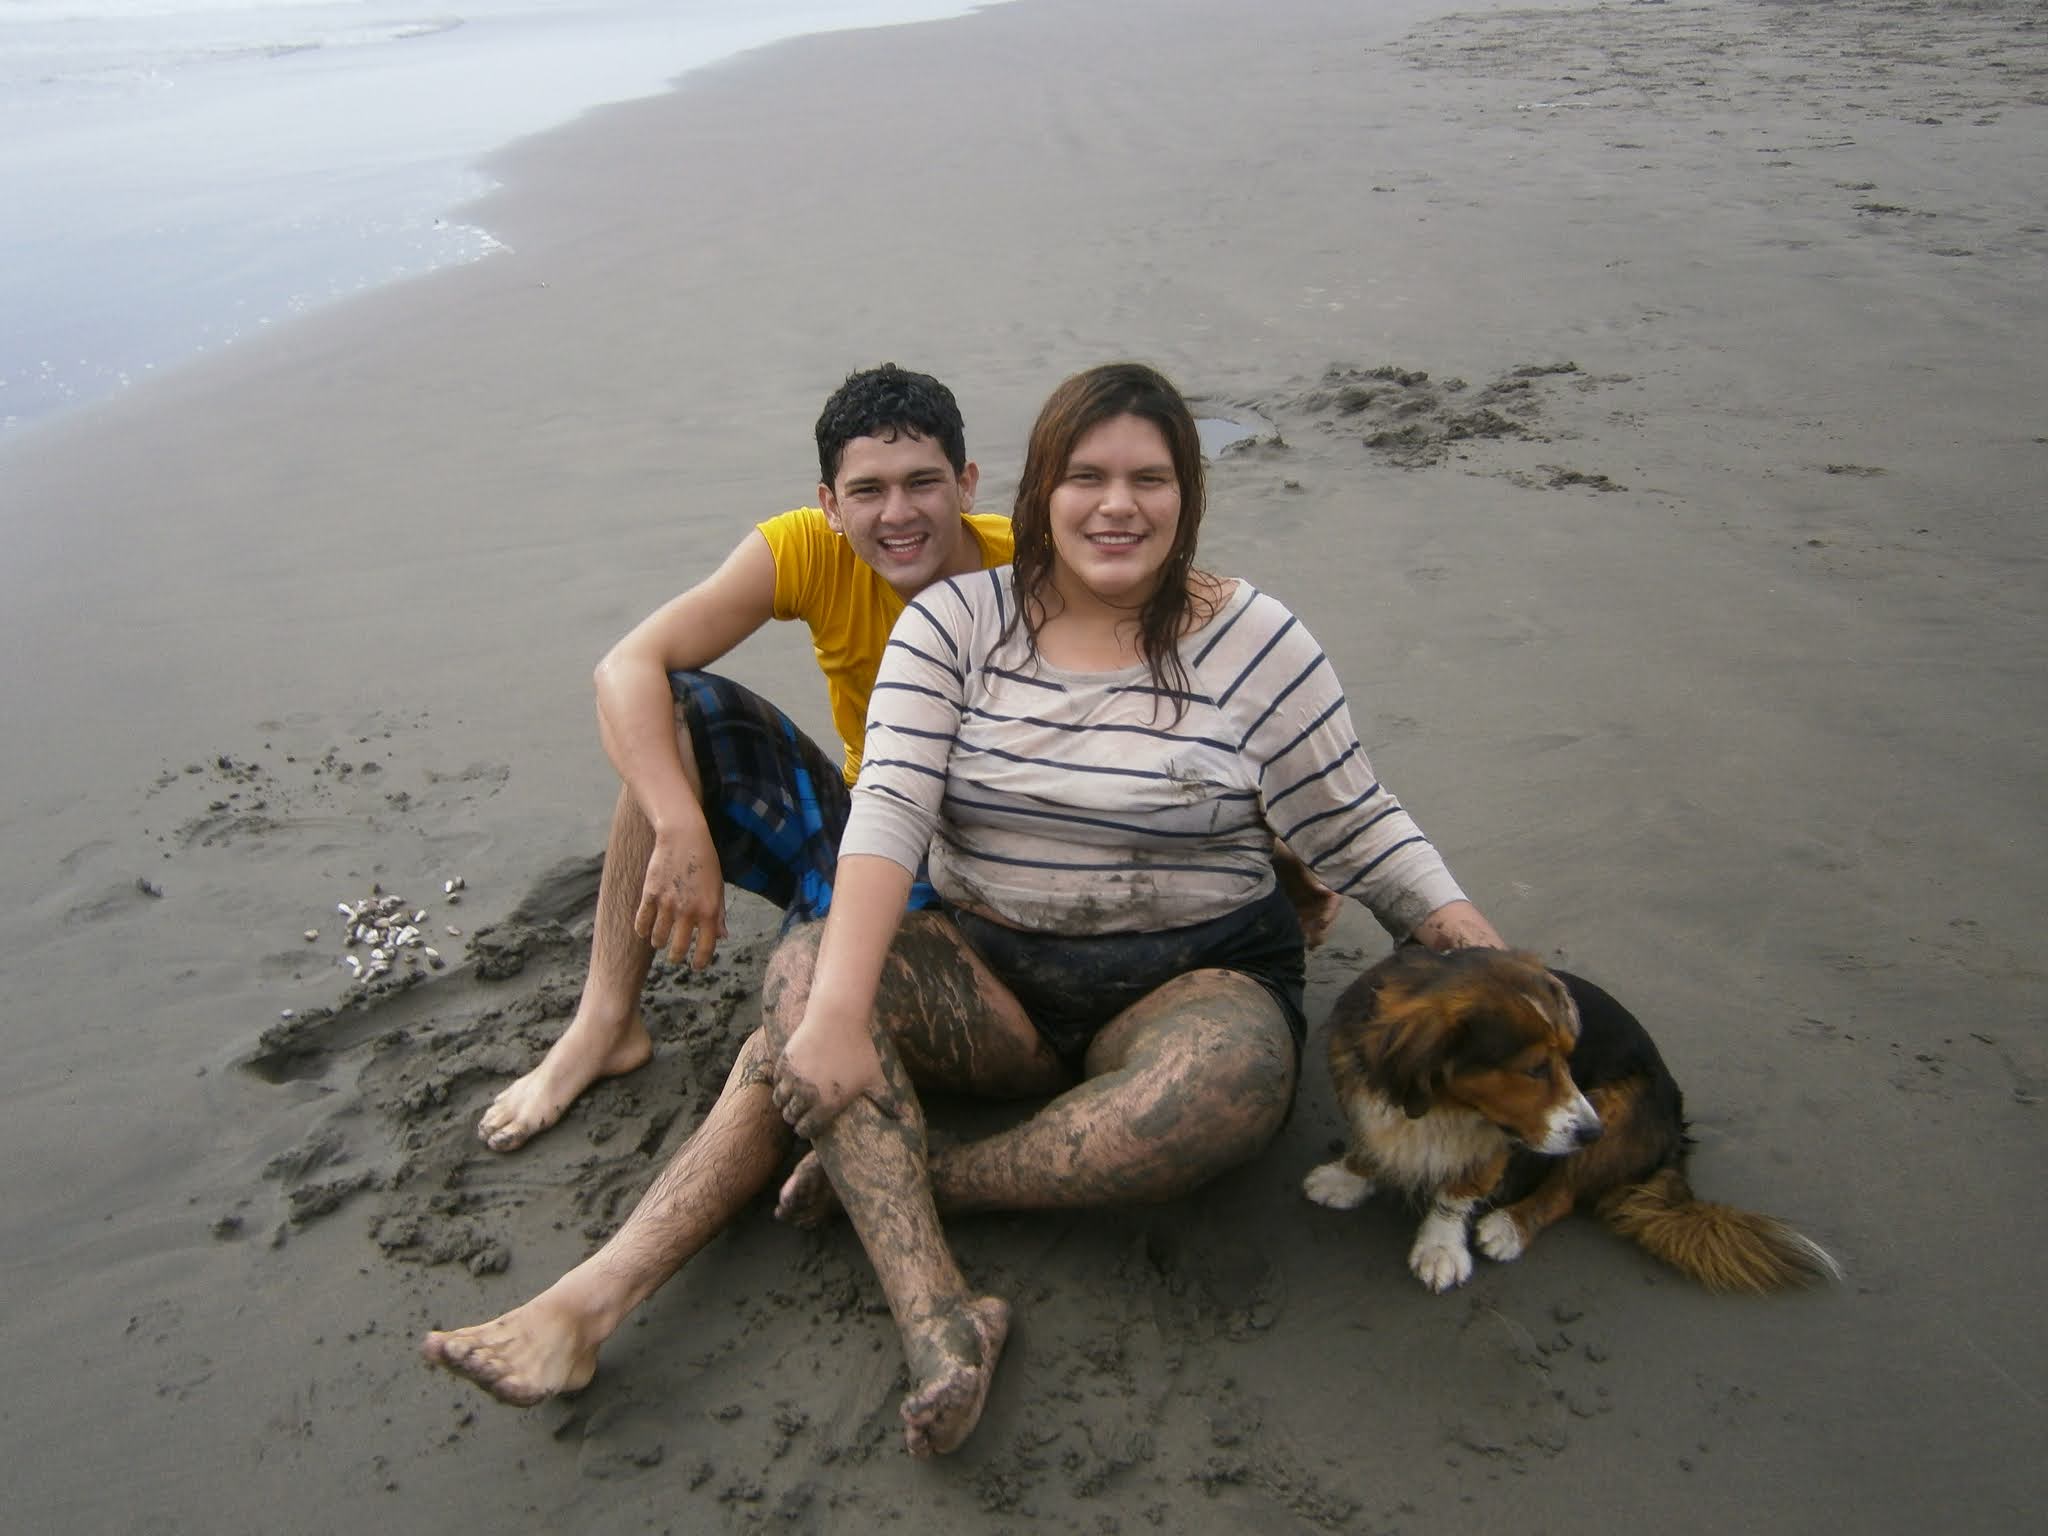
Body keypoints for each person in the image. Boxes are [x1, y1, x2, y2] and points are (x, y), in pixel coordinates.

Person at [422, 362, 1500, 1454]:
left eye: (1149, 478)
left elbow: (1358, 822)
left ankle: (910, 1179)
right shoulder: (952, 620)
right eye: (1084, 476)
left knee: (1229, 1088)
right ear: (1038, 493)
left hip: (1191, 978)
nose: (1116, 504)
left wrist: (1480, 951)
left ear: (1186, 496)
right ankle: (936, 1319)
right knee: (802, 982)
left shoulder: (1257, 640)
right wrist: (838, 1006)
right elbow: (886, 804)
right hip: (992, 967)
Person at [471, 364, 1013, 1152]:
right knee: (672, 722)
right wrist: (679, 825)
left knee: (829, 997)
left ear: (965, 484)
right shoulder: (804, 547)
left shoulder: (1030, 564)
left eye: (922, 483)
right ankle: (604, 1024)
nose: (897, 514)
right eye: (867, 491)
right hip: (867, 824)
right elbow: (625, 667)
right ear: (829, 504)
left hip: (984, 855)